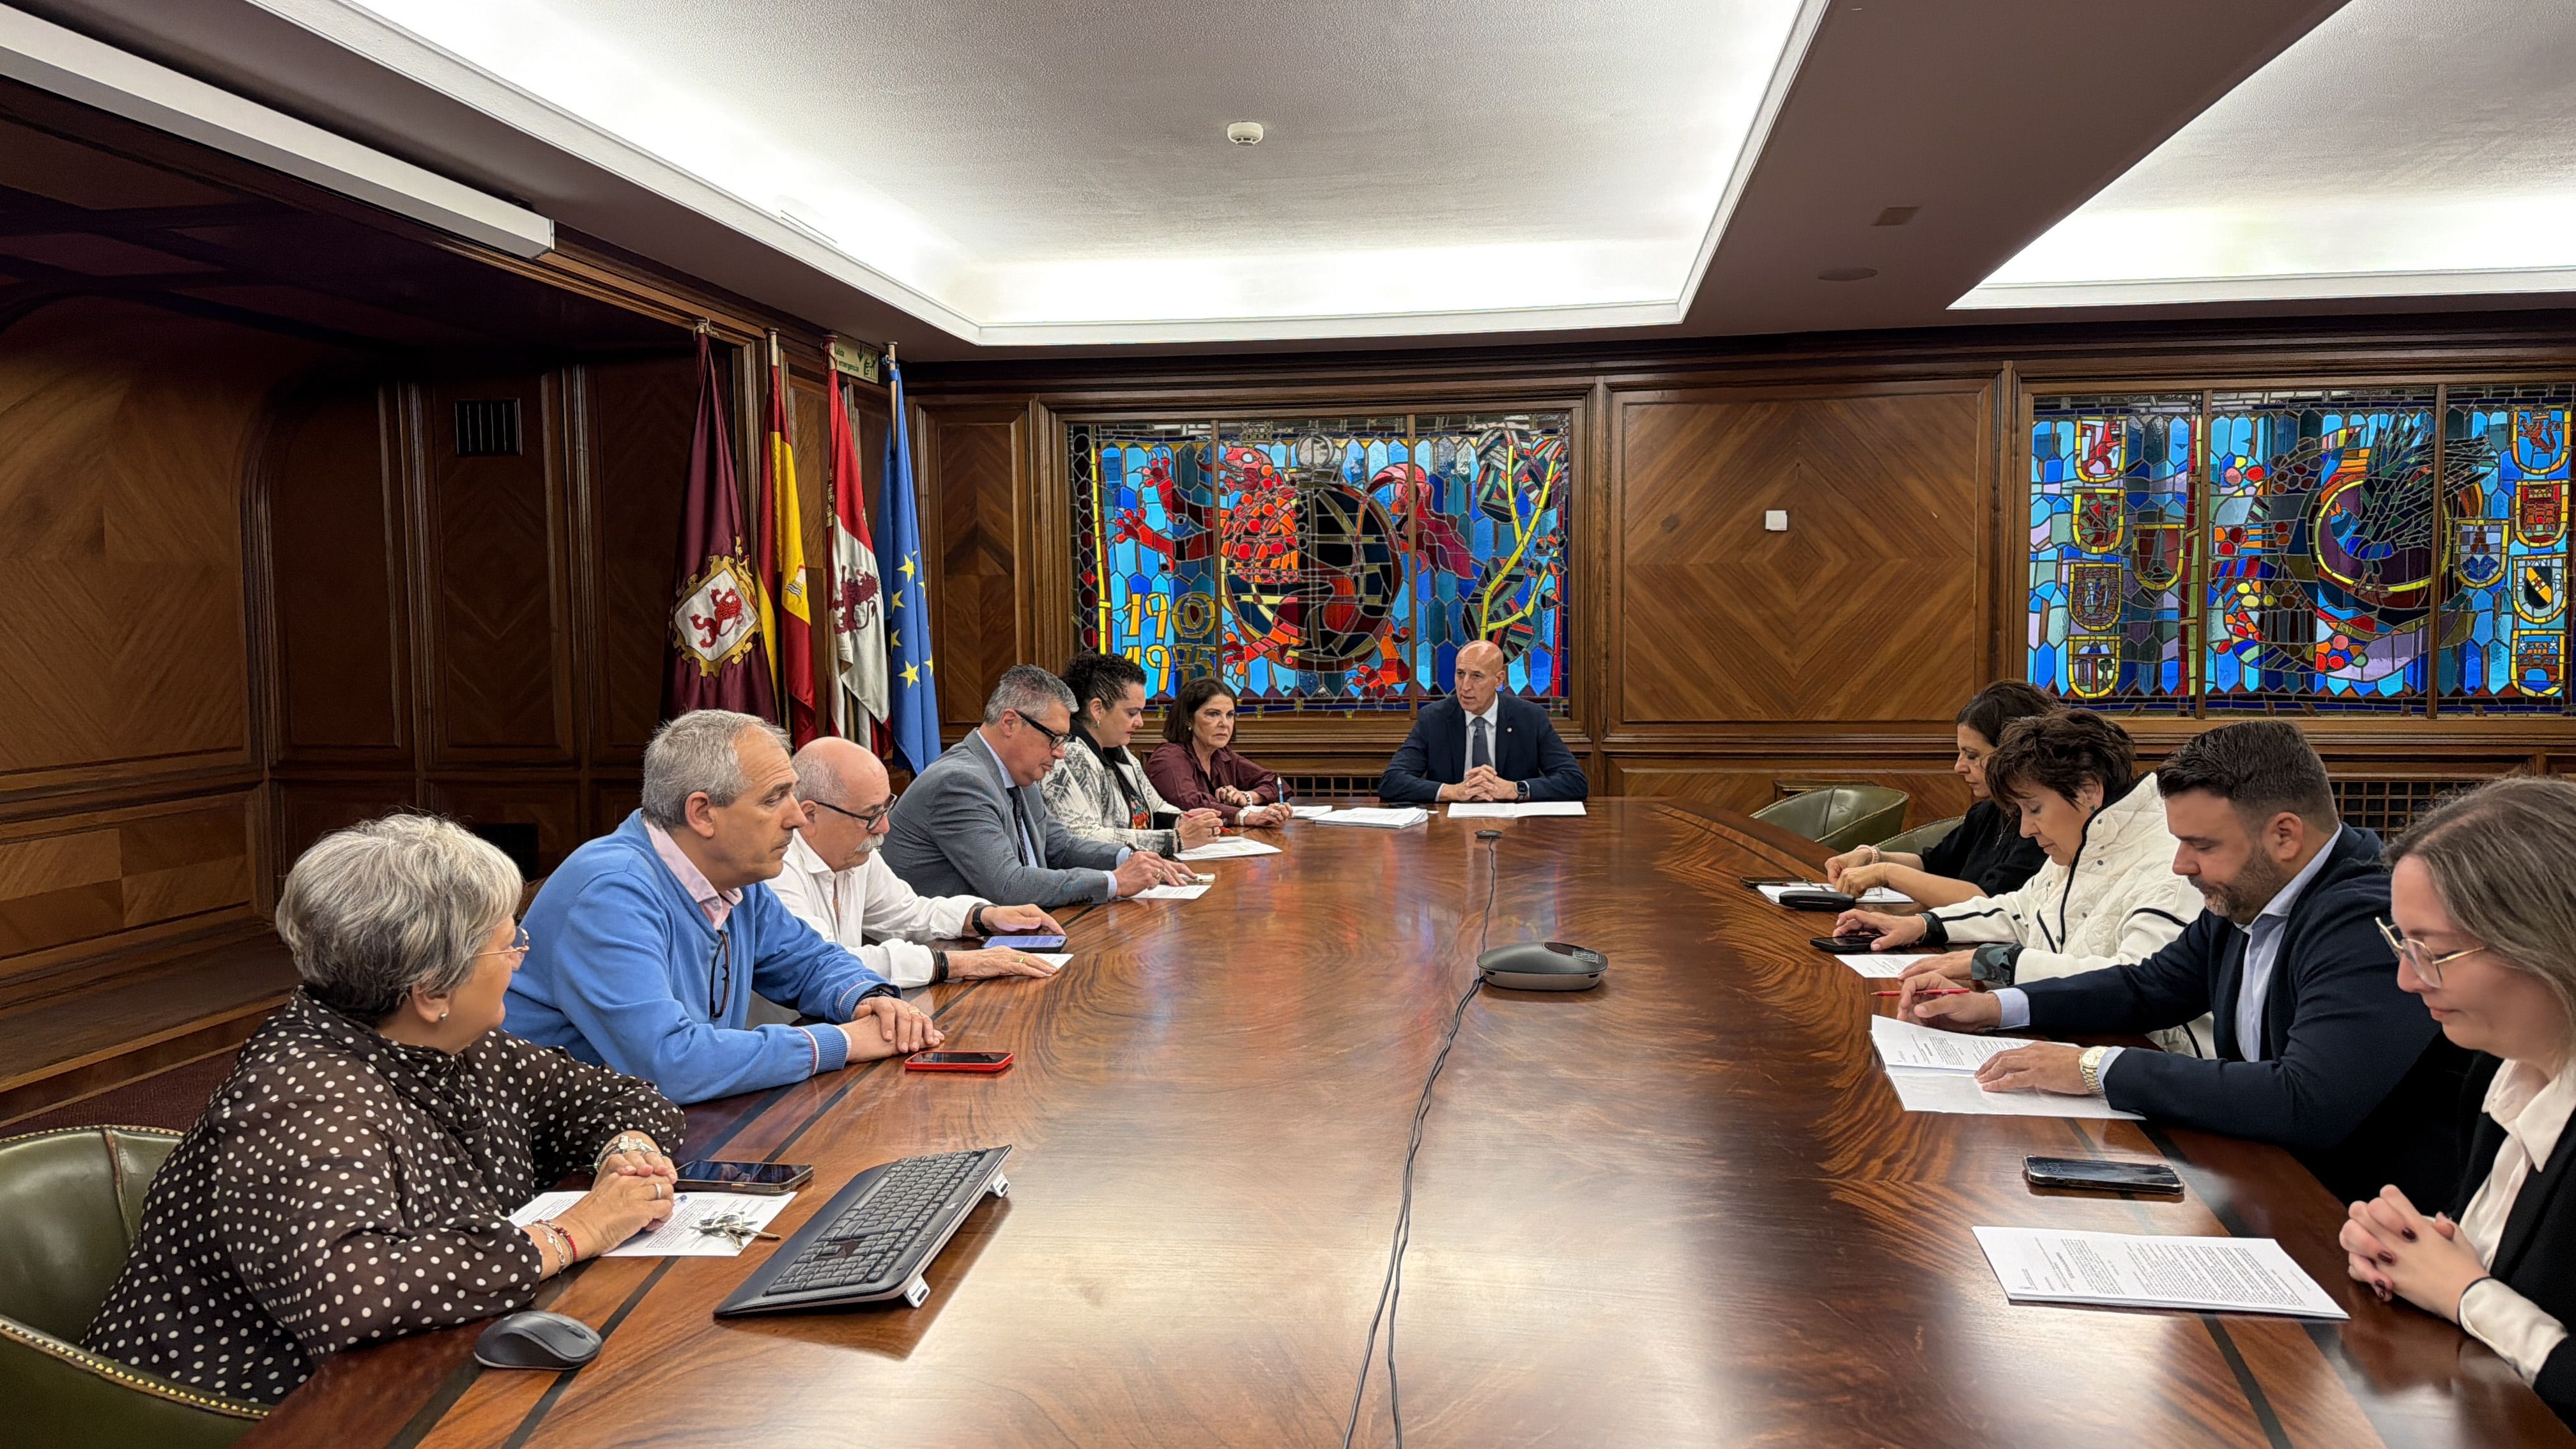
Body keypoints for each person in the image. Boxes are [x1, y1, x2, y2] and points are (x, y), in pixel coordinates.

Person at [83, 815, 686, 1405]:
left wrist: (627, 1154)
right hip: (256, 1410)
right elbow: (353, 1294)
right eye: (508, 946)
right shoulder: (303, 1095)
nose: (522, 959)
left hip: (417, 1369)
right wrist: (574, 1231)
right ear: (432, 992)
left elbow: (622, 1098)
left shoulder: (457, 1045)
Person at [1901, 720, 2480, 1206]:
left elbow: (2306, 1100)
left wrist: (2093, 1067)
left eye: (2201, 845)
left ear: (2285, 835)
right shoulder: (2252, 893)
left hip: (2356, 1211)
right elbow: (2150, 986)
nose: (2180, 866)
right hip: (2265, 1179)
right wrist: (1996, 1007)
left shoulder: (2364, 914)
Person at [507, 710, 943, 1105]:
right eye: (775, 798)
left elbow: (811, 962)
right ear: (702, 814)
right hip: (566, 1161)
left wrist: (870, 1001)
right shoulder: (611, 891)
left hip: (670, 1125)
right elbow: (669, 1064)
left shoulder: (735, 876)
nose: (796, 818)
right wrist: (842, 1042)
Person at [2341, 776, 2576, 1430]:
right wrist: (2403, 1250)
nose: (2408, 978)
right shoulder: (2495, 1072)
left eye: (2434, 952)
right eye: (2402, 944)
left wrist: (2465, 1293)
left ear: (2551, 941)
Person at [1845, 710, 2209, 1053]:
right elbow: (2021, 909)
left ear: (2088, 791)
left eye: (2034, 808)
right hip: (2077, 1038)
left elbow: (2135, 984)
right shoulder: (2085, 836)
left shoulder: (2172, 866)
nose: (2025, 829)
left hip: (2156, 1063)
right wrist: (1922, 925)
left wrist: (1995, 965)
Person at [882, 665, 1199, 907]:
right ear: (1010, 723)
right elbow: (1009, 885)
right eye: (1054, 738)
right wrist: (1113, 881)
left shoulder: (1019, 772)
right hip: (943, 953)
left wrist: (1126, 858)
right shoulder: (959, 783)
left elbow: (1059, 846)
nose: (1061, 752)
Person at [770, 736, 1068, 987]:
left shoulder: (856, 853)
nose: (885, 827)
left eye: (887, 807)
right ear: (810, 815)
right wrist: (956, 964)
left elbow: (907, 912)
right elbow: (825, 963)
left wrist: (983, 917)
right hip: (793, 1036)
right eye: (871, 815)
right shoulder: (774, 869)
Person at [1824, 681, 2055, 906]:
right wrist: (1872, 856)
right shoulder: (1988, 812)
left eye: (1972, 756)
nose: (1959, 767)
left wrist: (1886, 873)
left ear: (2013, 755)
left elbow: (1989, 902)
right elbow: (1932, 865)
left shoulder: (2043, 827)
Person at [1043, 652, 1227, 856]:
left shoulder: (1121, 752)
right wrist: (1176, 840)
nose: (1140, 722)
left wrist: (1183, 820)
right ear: (1097, 709)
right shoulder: (1068, 755)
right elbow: (1083, 838)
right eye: (1132, 713)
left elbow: (1155, 809)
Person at [1377, 639, 1586, 804]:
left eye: (1477, 676)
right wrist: (1453, 791)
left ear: (1498, 680)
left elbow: (1574, 781)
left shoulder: (1529, 717)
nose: (1465, 686)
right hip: (1449, 835)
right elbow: (1392, 781)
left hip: (1517, 835)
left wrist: (1515, 789)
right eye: (1460, 674)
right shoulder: (1434, 718)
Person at [1146, 676, 1293, 827]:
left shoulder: (1222, 754)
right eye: (1213, 714)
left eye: (1229, 715)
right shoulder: (1168, 757)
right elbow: (1191, 803)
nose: (1225, 724)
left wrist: (1246, 797)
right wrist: (1247, 817)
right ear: (1188, 720)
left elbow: (1277, 782)